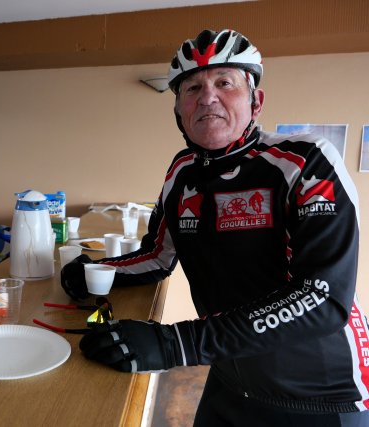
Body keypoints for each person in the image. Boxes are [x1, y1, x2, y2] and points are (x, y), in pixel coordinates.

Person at [62, 29, 369, 426]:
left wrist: (175, 344)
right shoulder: (182, 172)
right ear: (179, 112)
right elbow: (158, 255)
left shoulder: (306, 161)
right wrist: (96, 270)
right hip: (230, 377)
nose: (207, 97)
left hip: (320, 396)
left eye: (225, 83)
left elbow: (323, 299)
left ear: (256, 101)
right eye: (193, 88)